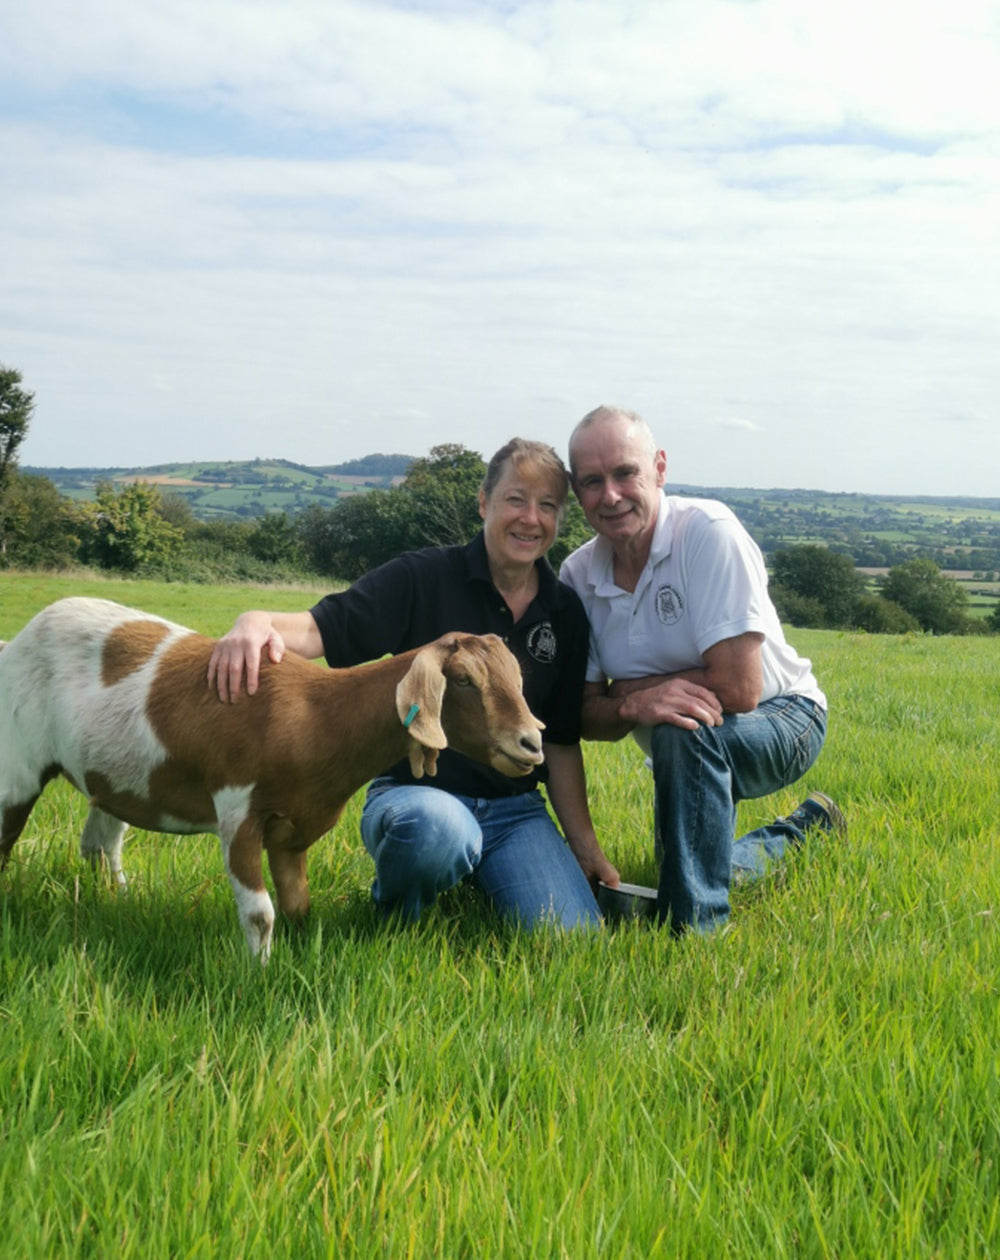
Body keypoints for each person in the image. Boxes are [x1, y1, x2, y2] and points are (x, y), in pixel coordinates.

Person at [208, 437, 619, 928]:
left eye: (547, 506)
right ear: (484, 501)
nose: (531, 518)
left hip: (516, 811)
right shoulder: (422, 577)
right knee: (436, 834)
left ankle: (489, 873)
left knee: (570, 936)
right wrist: (259, 620)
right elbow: (325, 627)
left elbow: (561, 743)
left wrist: (586, 848)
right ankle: (399, 909)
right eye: (516, 500)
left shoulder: (564, 612)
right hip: (418, 794)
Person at [560, 405, 843, 934]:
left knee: (678, 732)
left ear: (660, 469)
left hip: (785, 716)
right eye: (593, 481)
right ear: (576, 491)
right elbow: (584, 717)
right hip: (687, 743)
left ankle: (696, 935)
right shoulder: (577, 575)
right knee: (690, 867)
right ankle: (804, 829)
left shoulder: (708, 533)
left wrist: (627, 692)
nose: (611, 495)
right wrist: (629, 704)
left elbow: (739, 687)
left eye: (626, 473)